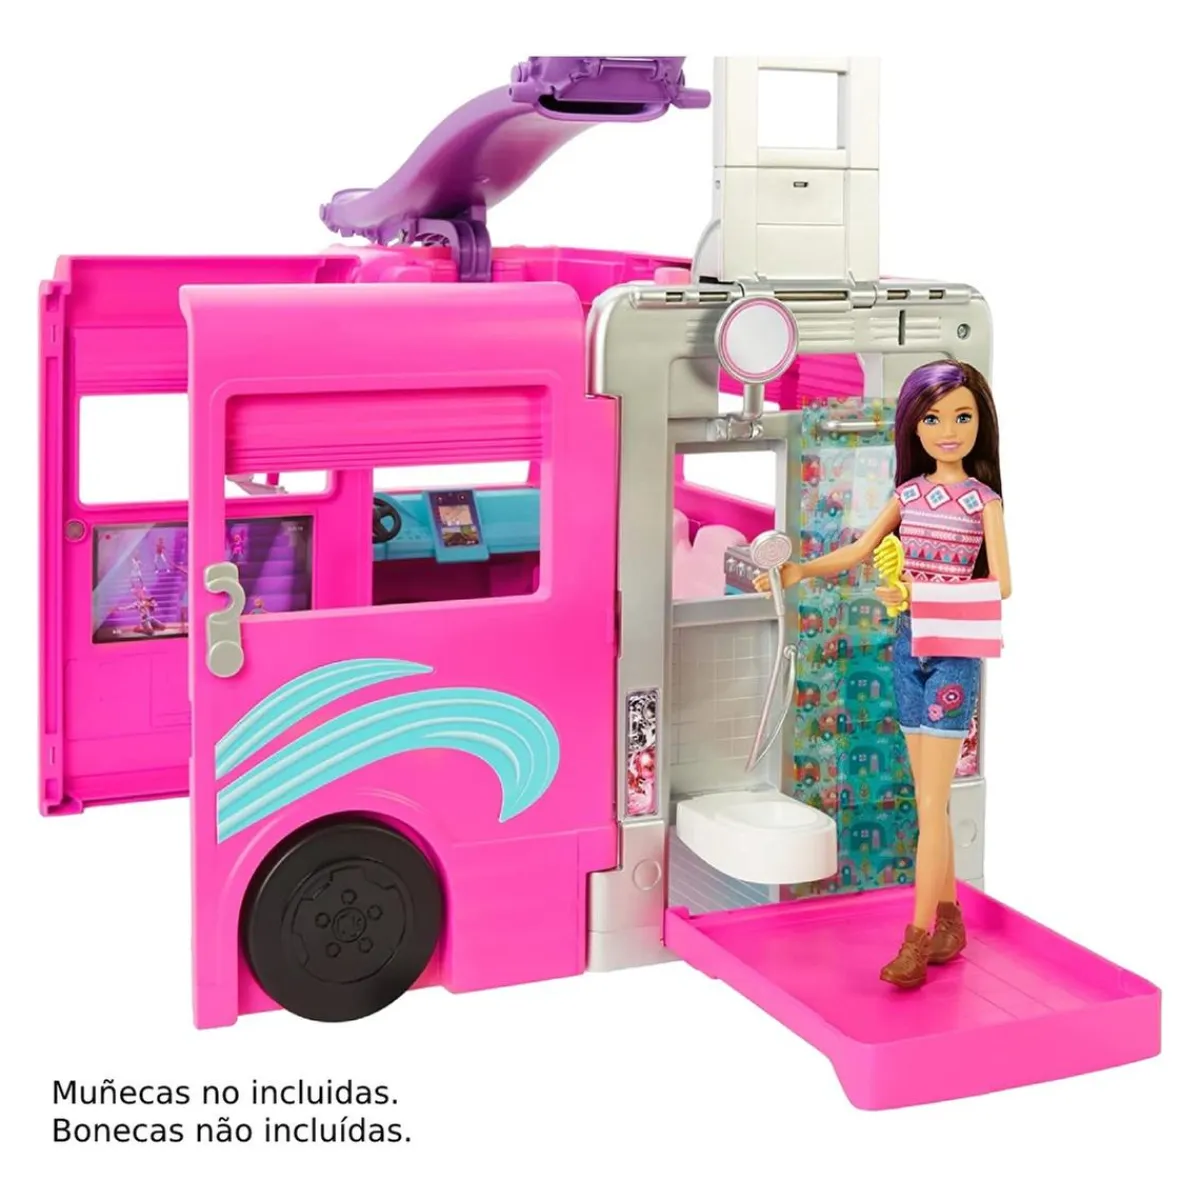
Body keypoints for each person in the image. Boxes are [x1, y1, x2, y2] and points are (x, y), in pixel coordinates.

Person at [756, 359, 1011, 988]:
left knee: (929, 804)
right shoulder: (909, 496)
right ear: (913, 426)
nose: (948, 431)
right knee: (931, 803)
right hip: (906, 650)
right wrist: (799, 571)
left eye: (962, 417)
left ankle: (917, 940)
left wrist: (921, 592)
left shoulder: (983, 503)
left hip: (951, 655)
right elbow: (858, 549)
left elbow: (1001, 584)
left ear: (980, 423)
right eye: (934, 419)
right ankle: (949, 921)